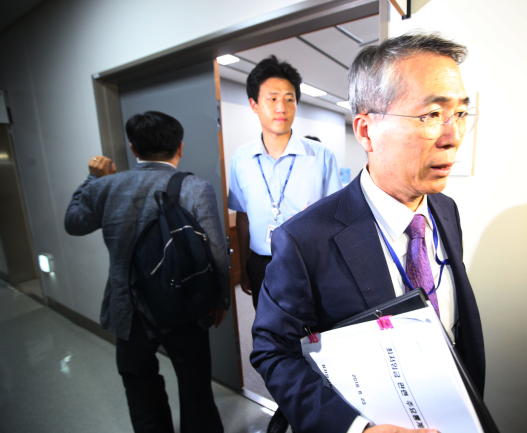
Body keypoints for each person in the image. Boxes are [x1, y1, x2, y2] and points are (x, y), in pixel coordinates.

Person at [251, 32, 484, 433]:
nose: (453, 137)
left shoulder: (446, 210)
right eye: (431, 115)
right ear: (365, 130)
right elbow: (275, 352)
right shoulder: (305, 240)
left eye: (460, 113)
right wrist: (357, 429)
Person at [64, 111, 230, 433]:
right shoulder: (195, 187)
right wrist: (220, 300)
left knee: (141, 390)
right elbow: (216, 251)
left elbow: (73, 222)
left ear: (133, 149)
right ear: (180, 147)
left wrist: (92, 177)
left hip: (127, 309)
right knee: (196, 389)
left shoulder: (107, 186)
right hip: (186, 306)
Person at [227, 55, 342, 433]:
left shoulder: (320, 157)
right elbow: (241, 215)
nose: (282, 107)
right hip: (262, 264)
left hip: (311, 264)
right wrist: (242, 265)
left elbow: (332, 219)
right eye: (272, 97)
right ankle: (287, 408)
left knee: (315, 339)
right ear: (254, 105)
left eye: (290, 98)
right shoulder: (242, 159)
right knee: (273, 340)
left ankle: (316, 408)